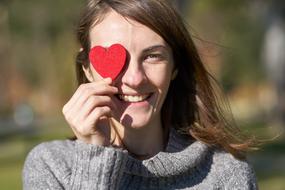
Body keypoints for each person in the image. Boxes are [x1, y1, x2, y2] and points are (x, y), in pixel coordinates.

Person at [22, 0, 258, 189]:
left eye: (152, 56)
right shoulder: (50, 166)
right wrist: (94, 157)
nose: (134, 79)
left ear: (175, 66)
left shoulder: (226, 175)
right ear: (87, 68)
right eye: (118, 60)